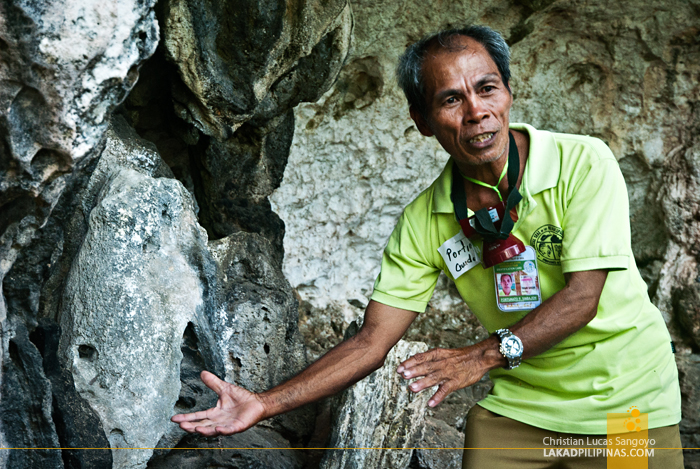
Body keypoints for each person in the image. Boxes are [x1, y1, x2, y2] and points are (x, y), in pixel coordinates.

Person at [172, 25, 683, 468]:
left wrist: (478, 357)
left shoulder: (582, 163)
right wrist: (265, 403)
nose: (477, 112)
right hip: (524, 405)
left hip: (626, 400)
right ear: (422, 121)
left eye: (487, 89)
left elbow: (582, 298)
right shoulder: (426, 220)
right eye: (451, 100)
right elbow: (373, 341)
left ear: (508, 94)